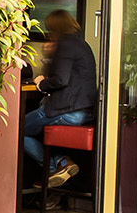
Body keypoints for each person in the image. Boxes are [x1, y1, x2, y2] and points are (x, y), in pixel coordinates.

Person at [21, 10, 97, 188]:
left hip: (67, 111)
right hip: (83, 112)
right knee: (34, 130)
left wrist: (41, 84)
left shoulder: (65, 45)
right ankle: (63, 163)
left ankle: (55, 166)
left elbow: (60, 80)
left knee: (18, 131)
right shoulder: (81, 44)